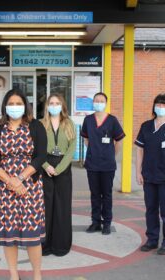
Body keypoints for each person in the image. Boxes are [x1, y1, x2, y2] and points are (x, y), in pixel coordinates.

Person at [0, 89, 47, 280]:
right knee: (9, 235)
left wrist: (20, 179)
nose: (14, 107)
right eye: (10, 104)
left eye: (18, 103)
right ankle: (14, 275)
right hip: (4, 188)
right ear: (5, 106)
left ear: (25, 105)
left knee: (32, 235)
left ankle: (37, 275)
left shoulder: (35, 126)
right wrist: (10, 181)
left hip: (30, 187)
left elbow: (40, 157)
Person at [80, 92, 125, 235]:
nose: (98, 103)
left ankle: (107, 223)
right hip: (92, 163)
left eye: (101, 101)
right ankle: (95, 222)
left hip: (107, 165)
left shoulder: (112, 120)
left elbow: (119, 141)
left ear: (106, 103)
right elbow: (86, 139)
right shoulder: (88, 120)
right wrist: (94, 150)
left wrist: (111, 155)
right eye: (96, 100)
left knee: (106, 194)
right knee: (94, 194)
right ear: (93, 102)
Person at [41, 93, 76, 257]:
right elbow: (36, 149)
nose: (54, 106)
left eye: (57, 103)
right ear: (47, 106)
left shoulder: (69, 124)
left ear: (63, 106)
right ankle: (45, 245)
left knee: (62, 206)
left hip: (63, 168)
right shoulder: (41, 124)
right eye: (51, 103)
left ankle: (61, 245)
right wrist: (47, 166)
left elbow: (71, 149)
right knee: (45, 207)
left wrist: (60, 168)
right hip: (45, 166)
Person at [135, 93, 165, 255]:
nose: (160, 107)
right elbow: (139, 149)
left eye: (163, 105)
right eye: (158, 104)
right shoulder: (146, 126)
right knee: (151, 209)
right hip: (149, 175)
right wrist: (138, 171)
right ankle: (152, 240)